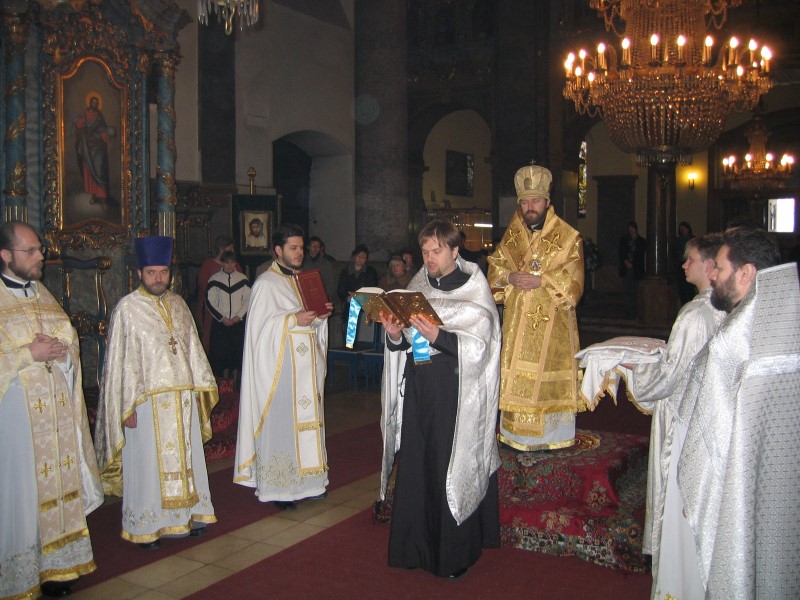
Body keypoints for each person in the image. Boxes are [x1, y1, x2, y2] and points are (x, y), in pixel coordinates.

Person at [669, 227, 786, 599]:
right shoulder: (784, 322)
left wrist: (694, 491)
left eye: (719, 267)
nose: (713, 275)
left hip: (736, 488)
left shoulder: (731, 342)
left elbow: (709, 429)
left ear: (746, 272)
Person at [380, 219, 501, 580]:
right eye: (425, 251)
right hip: (420, 391)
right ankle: (413, 549)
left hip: (456, 395)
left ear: (455, 251)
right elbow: (406, 343)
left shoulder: (473, 288)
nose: (429, 258)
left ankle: (452, 556)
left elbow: (482, 346)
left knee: (446, 466)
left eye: (436, 251)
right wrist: (394, 335)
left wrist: (440, 337)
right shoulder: (418, 285)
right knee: (418, 466)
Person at [0, 221, 104, 599]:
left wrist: (61, 351)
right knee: (23, 494)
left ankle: (58, 567)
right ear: (6, 255)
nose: (41, 256)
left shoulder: (42, 293)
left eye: (40, 249)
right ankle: (21, 575)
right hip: (16, 425)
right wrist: (29, 354)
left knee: (57, 487)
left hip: (55, 419)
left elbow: (67, 338)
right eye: (31, 250)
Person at [95, 236, 218, 549]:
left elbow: (192, 351)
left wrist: (198, 391)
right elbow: (118, 364)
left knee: (188, 458)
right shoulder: (127, 309)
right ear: (139, 273)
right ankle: (148, 525)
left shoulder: (179, 304)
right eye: (151, 272)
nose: (158, 278)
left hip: (183, 398)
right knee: (148, 465)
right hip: (146, 403)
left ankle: (192, 515)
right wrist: (125, 407)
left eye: (163, 272)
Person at [624, 234, 726, 598]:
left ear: (710, 267)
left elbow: (669, 376)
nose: (684, 265)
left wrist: (635, 370)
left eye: (690, 259)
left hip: (682, 421)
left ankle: (677, 586)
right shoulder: (724, 308)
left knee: (678, 502)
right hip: (707, 416)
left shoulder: (695, 314)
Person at [486, 164, 585, 451]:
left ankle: (552, 438)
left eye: (535, 201)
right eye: (525, 201)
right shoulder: (513, 235)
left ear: (547, 201)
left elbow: (574, 281)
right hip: (517, 324)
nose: (530, 207)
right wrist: (509, 278)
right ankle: (516, 437)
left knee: (545, 378)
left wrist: (542, 280)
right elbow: (495, 269)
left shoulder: (567, 237)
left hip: (553, 326)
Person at [235, 225, 333, 511]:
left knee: (308, 425)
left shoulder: (305, 280)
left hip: (305, 371)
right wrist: (292, 320)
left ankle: (311, 483)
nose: (300, 252)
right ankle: (280, 488)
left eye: (301, 247)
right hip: (279, 372)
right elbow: (259, 333)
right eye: (294, 248)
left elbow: (309, 321)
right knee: (282, 426)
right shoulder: (266, 284)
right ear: (278, 250)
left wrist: (320, 317)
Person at [206, 250, 251, 379]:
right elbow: (210, 301)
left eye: (232, 262)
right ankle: (224, 383)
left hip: (238, 323)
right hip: (221, 325)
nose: (230, 265)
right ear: (222, 263)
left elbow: (248, 300)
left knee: (238, 356)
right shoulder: (214, 279)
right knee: (221, 357)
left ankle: (237, 385)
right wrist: (222, 318)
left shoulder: (242, 279)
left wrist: (238, 316)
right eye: (227, 262)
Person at [197, 235, 242, 352]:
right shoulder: (208, 265)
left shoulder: (235, 266)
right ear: (222, 249)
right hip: (212, 312)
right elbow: (204, 287)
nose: (232, 251)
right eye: (230, 248)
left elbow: (241, 284)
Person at [74, 95, 114, 208]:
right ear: (90, 103)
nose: (94, 104)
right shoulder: (84, 114)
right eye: (93, 102)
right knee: (89, 171)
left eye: (96, 103)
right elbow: (77, 124)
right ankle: (94, 195)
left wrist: (105, 135)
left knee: (99, 169)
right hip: (87, 146)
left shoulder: (99, 117)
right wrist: (78, 124)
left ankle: (103, 197)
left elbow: (103, 129)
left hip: (98, 146)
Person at [618, 220, 647, 318]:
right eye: (629, 229)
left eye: (632, 228)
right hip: (627, 267)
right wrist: (626, 262)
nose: (631, 230)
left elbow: (640, 255)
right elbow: (621, 252)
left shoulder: (641, 241)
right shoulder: (624, 240)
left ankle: (636, 310)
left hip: (637, 268)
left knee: (636, 290)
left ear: (635, 229)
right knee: (627, 289)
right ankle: (628, 310)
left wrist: (633, 263)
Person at [305, 236, 337, 304]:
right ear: (308, 247)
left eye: (318, 246)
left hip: (321, 294)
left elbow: (330, 282)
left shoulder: (326, 263)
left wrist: (327, 296)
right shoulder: (302, 262)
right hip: (306, 294)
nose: (315, 248)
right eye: (313, 245)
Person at [675, 221, 696, 304]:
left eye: (684, 228)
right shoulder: (678, 240)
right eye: (681, 229)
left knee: (690, 287)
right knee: (682, 287)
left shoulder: (693, 240)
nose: (683, 230)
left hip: (692, 264)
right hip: (681, 265)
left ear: (688, 229)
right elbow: (678, 253)